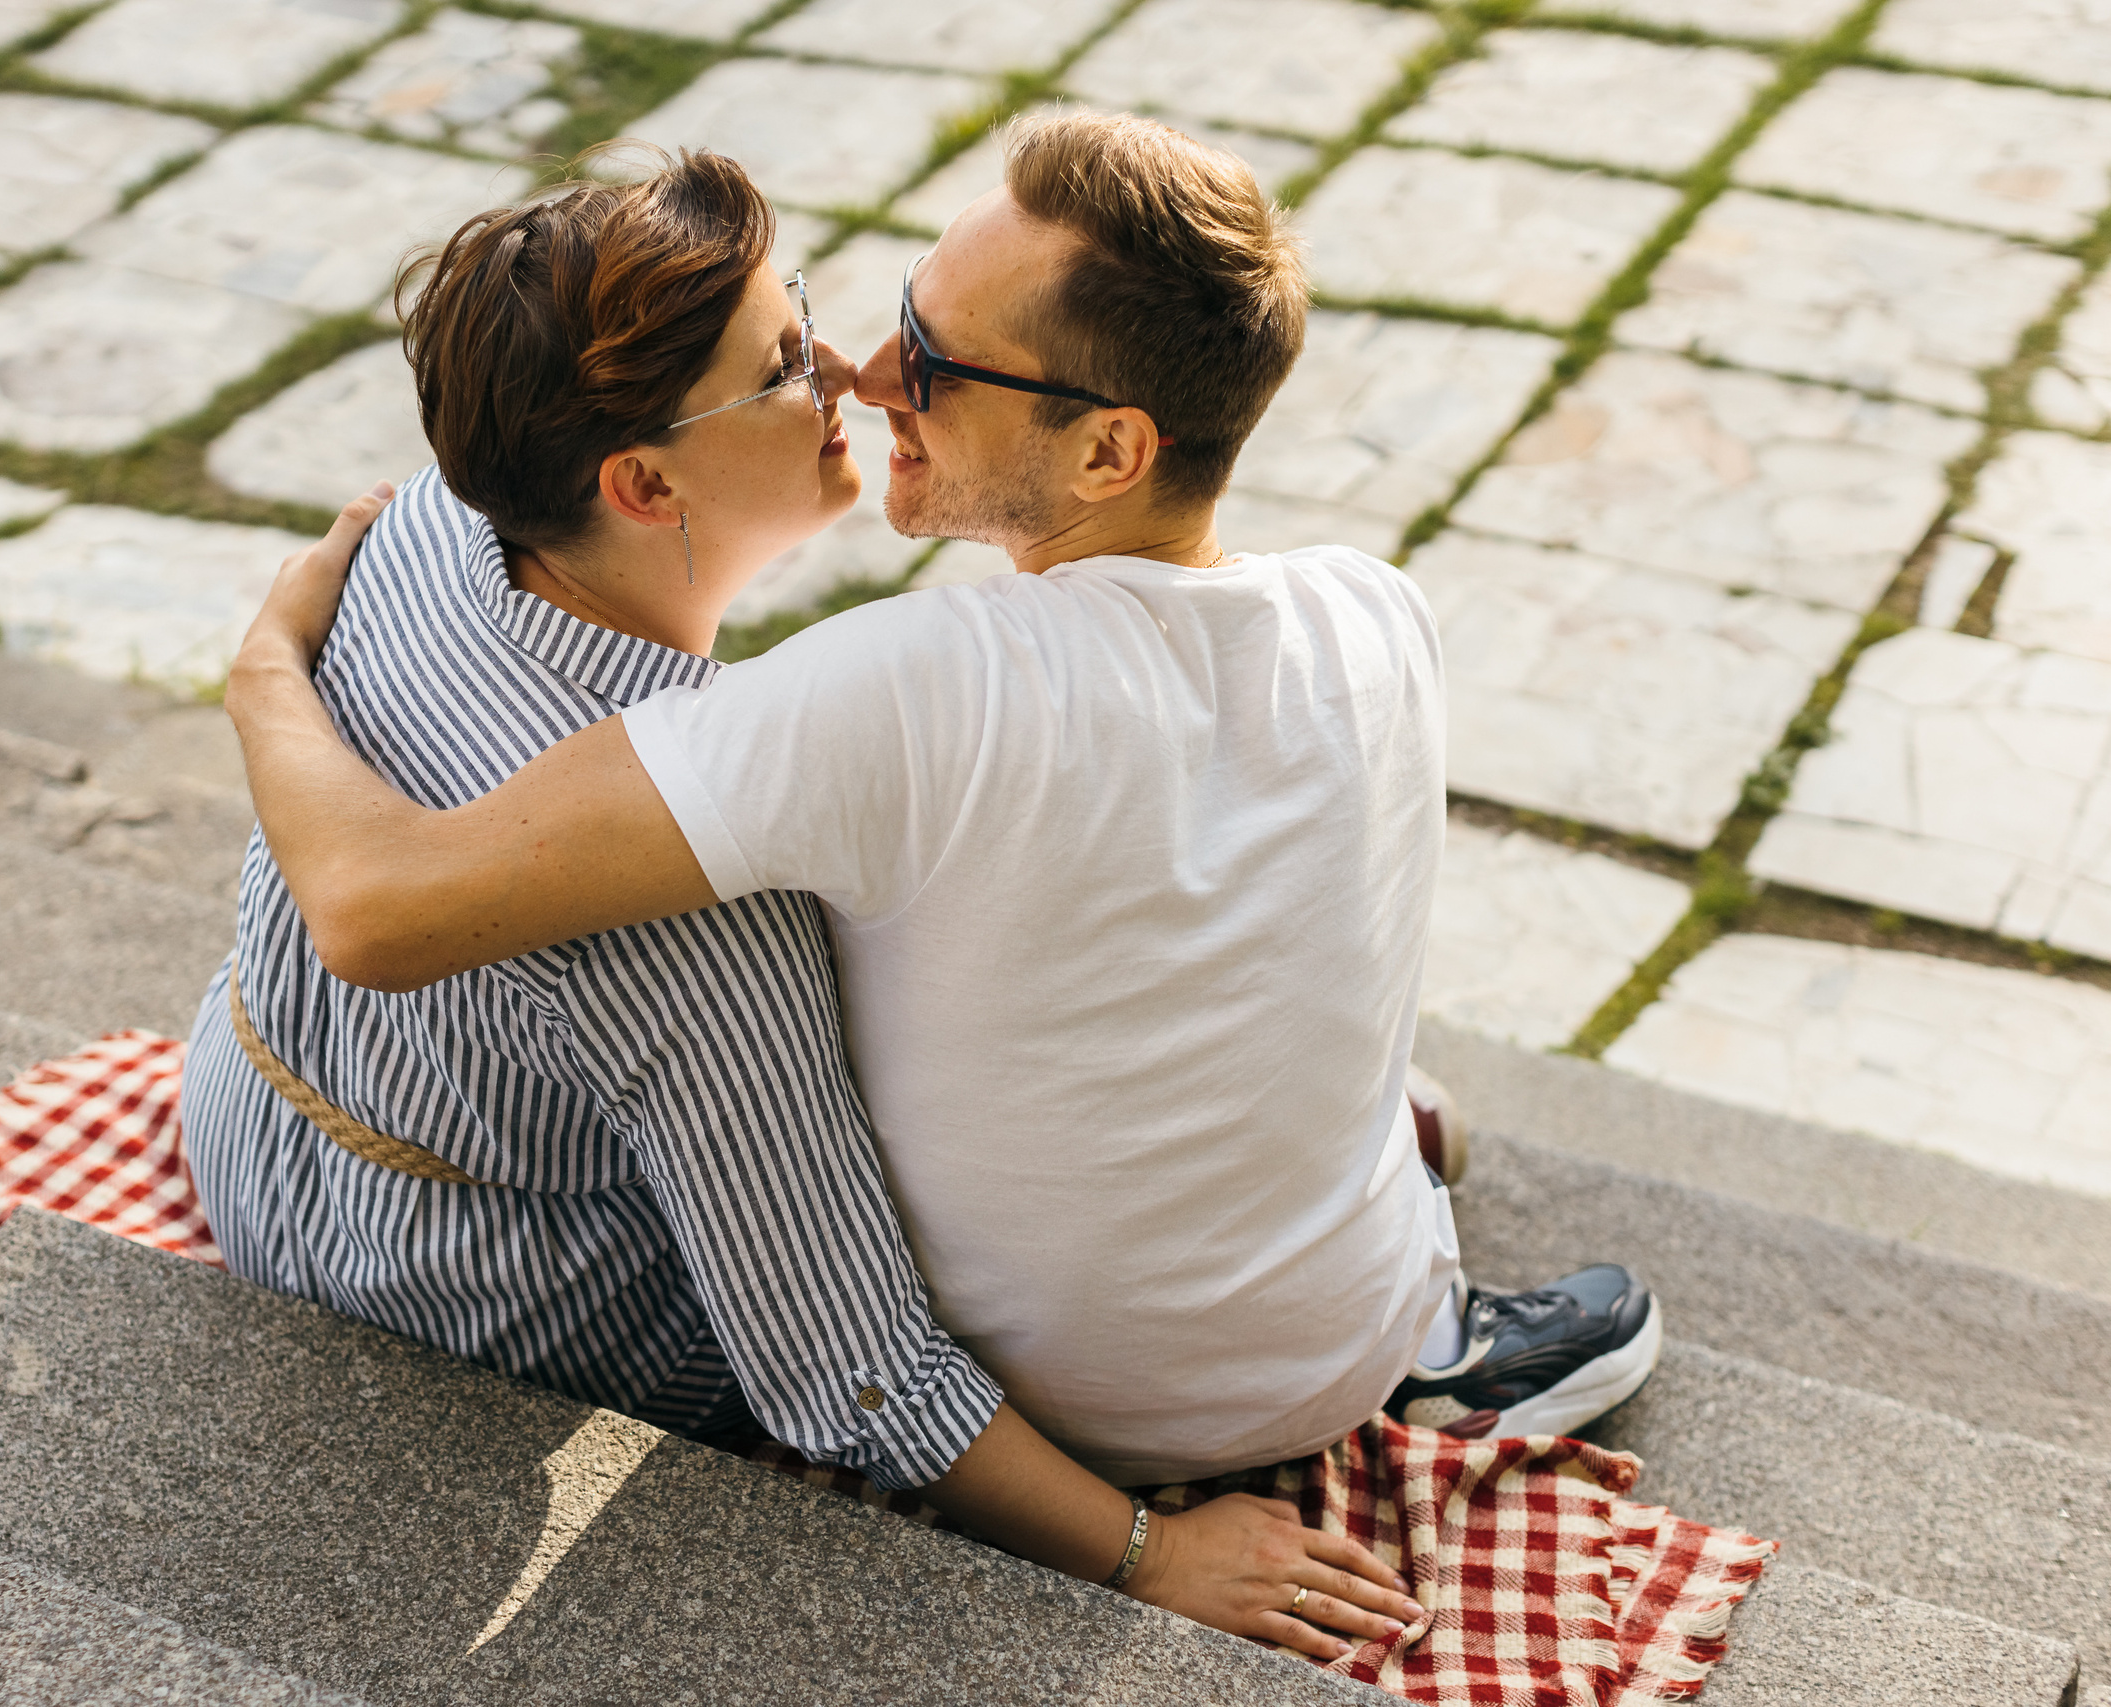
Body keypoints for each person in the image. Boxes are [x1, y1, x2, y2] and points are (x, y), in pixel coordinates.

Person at [219, 117, 1665, 1647]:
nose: (865, 375)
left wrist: (266, 665)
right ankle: (1410, 1287)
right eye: (853, 335)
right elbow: (835, 1344)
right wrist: (1144, 1558)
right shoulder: (1373, 610)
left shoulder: (475, 525)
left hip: (266, 1159)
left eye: (934, 356)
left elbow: (375, 900)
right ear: (640, 481)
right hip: (547, 1317)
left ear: (1108, 452)